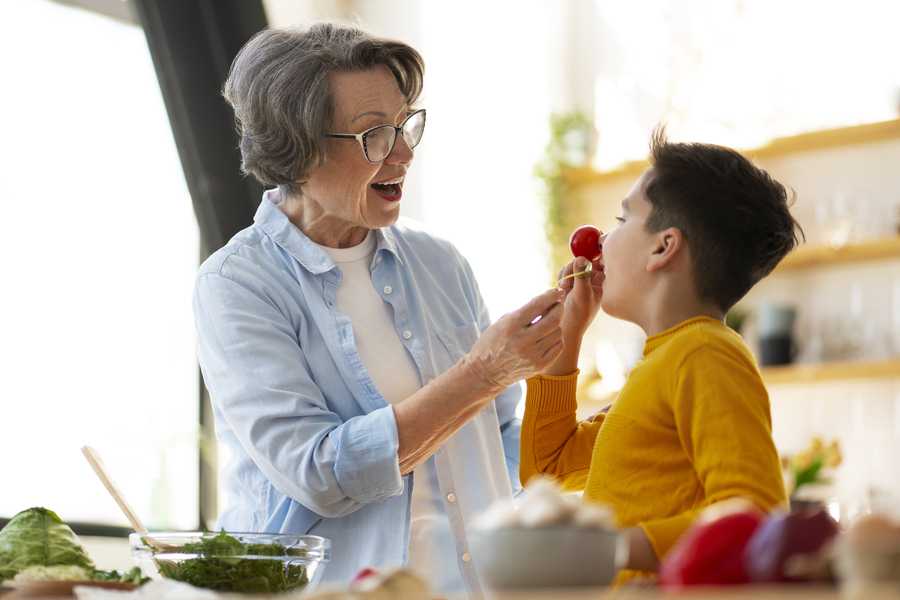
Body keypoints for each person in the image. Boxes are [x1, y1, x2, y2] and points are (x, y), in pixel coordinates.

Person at [193, 24, 565, 595]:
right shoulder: (237, 284)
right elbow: (318, 473)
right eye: (374, 135)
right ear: (298, 149)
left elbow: (507, 431)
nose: (404, 152)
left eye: (405, 124)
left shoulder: (441, 263)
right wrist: (483, 374)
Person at [520, 129, 803, 584]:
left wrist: (611, 547)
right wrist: (567, 336)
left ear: (663, 246)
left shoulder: (705, 354)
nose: (600, 241)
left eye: (621, 218)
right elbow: (547, 471)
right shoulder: (664, 361)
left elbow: (754, 518)